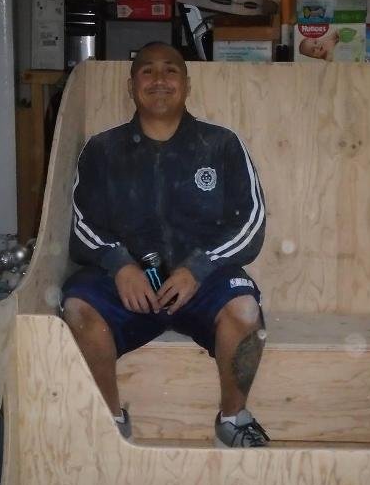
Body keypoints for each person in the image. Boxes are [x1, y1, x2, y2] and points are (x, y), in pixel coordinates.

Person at [61, 42, 269, 448]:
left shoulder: (222, 144)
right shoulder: (102, 150)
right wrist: (119, 264)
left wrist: (199, 267)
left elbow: (251, 222)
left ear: (187, 84)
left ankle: (234, 419)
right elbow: (80, 222)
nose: (159, 79)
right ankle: (109, 421)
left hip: (203, 281)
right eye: (147, 71)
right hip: (127, 284)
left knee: (245, 310)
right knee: (77, 309)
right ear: (131, 85)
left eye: (170, 70)